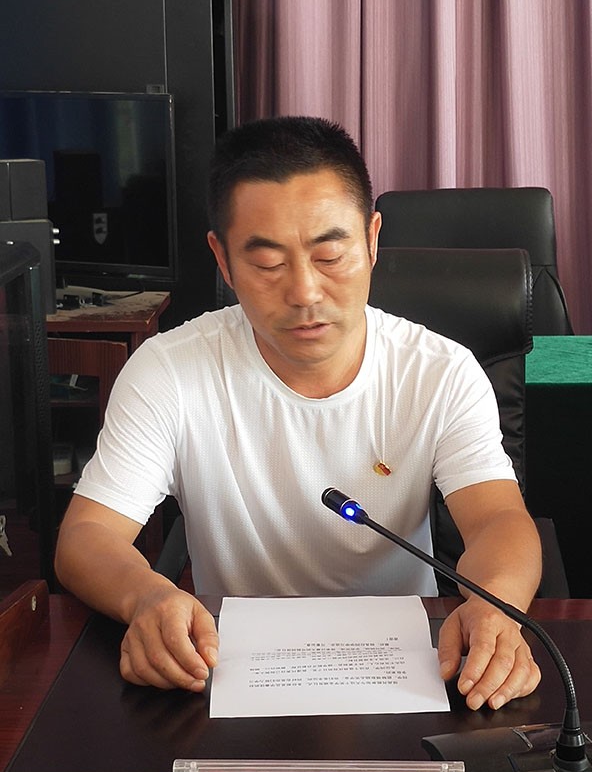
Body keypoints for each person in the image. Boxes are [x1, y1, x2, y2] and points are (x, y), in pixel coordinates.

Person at [54, 115, 542, 710]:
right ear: (223, 260)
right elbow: (88, 536)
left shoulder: (439, 371)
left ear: (372, 239)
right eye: (267, 265)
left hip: (408, 668)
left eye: (330, 255)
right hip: (232, 667)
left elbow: (498, 520)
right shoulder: (170, 371)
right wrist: (145, 596)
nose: (305, 292)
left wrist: (494, 604)